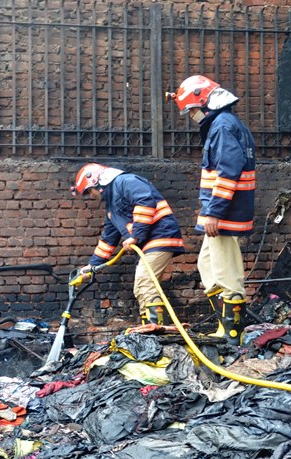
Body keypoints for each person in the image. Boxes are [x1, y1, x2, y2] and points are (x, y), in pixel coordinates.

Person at [166, 75, 256, 344]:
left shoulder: (222, 127)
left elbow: (228, 172)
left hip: (225, 213)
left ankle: (232, 333)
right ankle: (224, 324)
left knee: (226, 270)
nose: (191, 116)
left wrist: (214, 212)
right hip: (225, 211)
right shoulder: (223, 124)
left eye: (191, 110)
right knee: (208, 264)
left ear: (204, 103)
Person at [72, 163, 185, 325]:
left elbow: (145, 201)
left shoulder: (125, 181)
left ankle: (157, 333)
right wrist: (91, 268)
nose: (91, 196)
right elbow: (108, 240)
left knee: (145, 282)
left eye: (90, 191)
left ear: (97, 181)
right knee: (140, 287)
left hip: (160, 235)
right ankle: (151, 332)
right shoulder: (111, 208)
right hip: (148, 243)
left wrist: (135, 236)